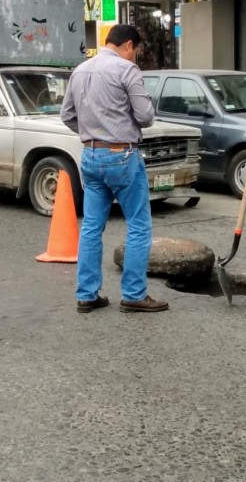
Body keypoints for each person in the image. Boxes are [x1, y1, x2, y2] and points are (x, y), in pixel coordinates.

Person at [61, 24, 168, 314]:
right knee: (138, 225)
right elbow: (145, 117)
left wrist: (91, 131)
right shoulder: (126, 70)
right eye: (137, 51)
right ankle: (133, 295)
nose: (135, 56)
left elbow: (67, 116)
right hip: (122, 155)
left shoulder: (80, 70)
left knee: (92, 227)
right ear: (130, 45)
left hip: (91, 155)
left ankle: (87, 294)